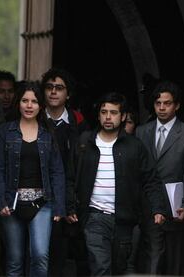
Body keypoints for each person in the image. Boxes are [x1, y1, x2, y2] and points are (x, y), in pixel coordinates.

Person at [66, 92, 166, 276]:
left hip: (124, 219)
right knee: (101, 267)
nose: (108, 117)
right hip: (94, 216)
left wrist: (157, 208)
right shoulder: (84, 143)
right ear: (98, 115)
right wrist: (71, 207)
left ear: (123, 116)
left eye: (113, 112)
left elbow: (150, 179)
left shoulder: (134, 146)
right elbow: (71, 177)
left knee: (119, 268)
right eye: (104, 112)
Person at [0, 81, 65, 277]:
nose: (29, 105)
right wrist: (1, 201)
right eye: (25, 100)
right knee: (14, 261)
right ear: (19, 103)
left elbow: (57, 171)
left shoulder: (48, 132)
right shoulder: (5, 131)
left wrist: (59, 206)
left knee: (40, 255)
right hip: (11, 202)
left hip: (42, 203)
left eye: (34, 101)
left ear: (40, 105)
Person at [135, 81, 184, 275]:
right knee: (151, 259)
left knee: (176, 262)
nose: (162, 108)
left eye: (167, 103)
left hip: (175, 207)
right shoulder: (141, 131)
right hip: (147, 206)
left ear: (177, 105)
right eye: (158, 103)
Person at [40, 67, 89, 276]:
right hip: (38, 195)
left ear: (68, 94)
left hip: (68, 197)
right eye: (49, 87)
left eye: (59, 88)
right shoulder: (33, 118)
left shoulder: (79, 123)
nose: (53, 92)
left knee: (65, 253)